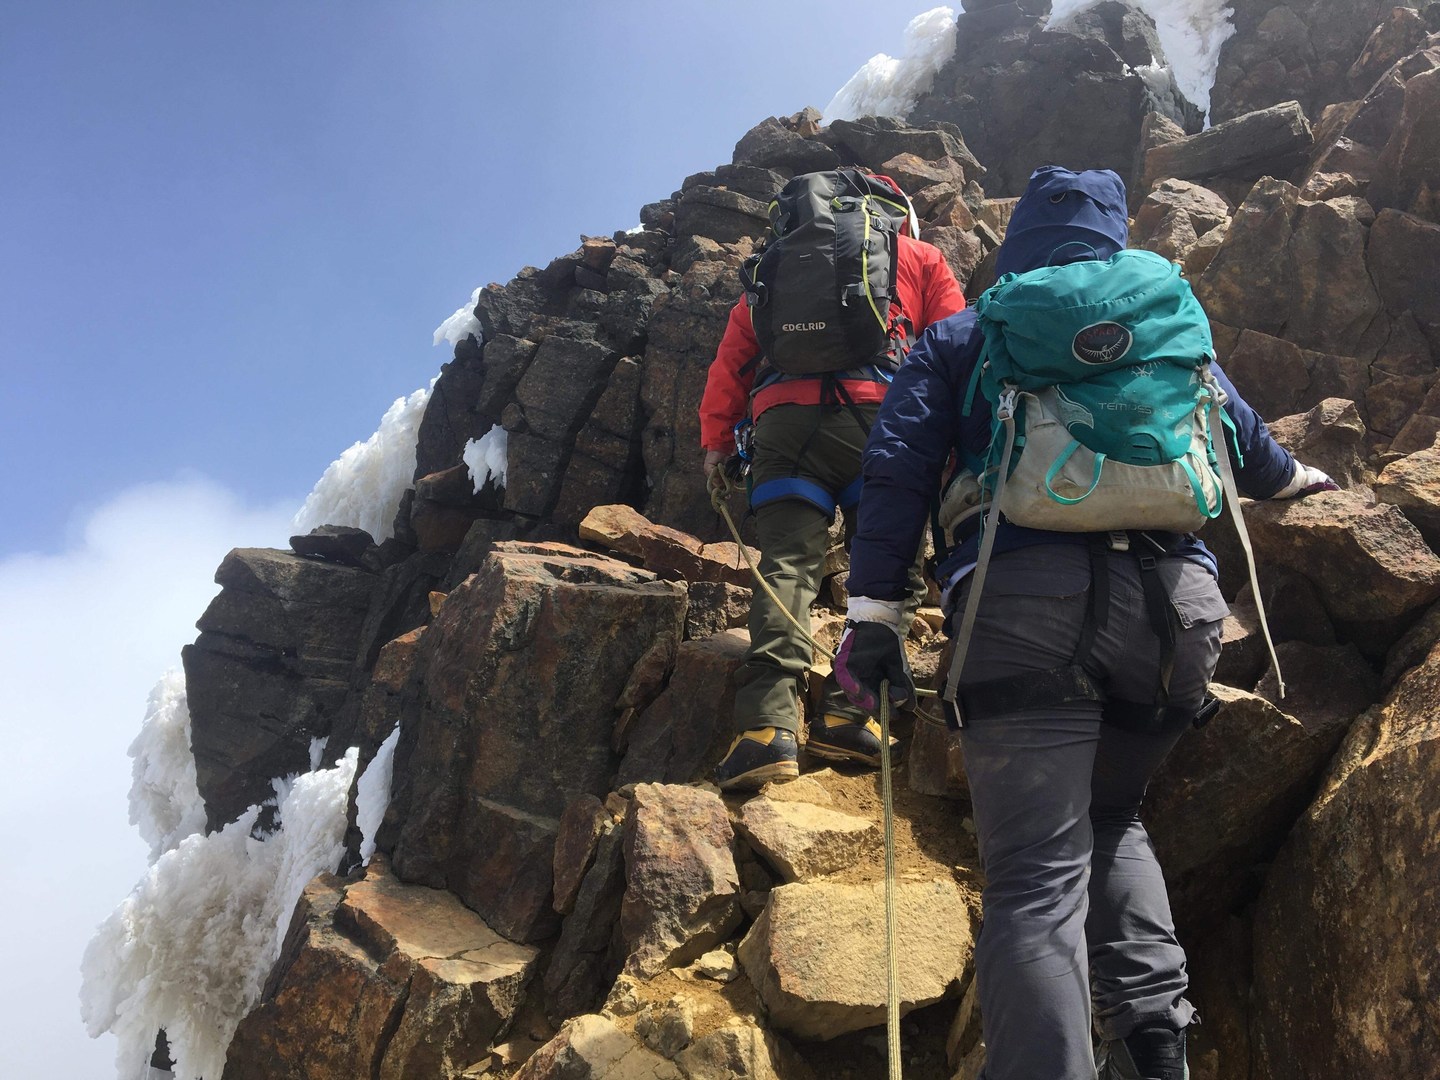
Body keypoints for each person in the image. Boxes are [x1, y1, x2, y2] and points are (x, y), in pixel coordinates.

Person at [834, 166, 1336, 1080]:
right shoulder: (1161, 320)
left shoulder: (968, 331)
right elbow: (1252, 452)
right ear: (1116, 233)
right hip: (1177, 615)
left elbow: (897, 467)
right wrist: (1308, 482)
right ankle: (1154, 1050)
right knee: (1113, 815)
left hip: (1024, 607)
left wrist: (874, 613)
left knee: (1035, 876)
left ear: (1019, 238)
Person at [700, 170, 966, 792]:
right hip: (881, 425)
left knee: (787, 563)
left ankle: (766, 731)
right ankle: (851, 712)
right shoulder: (918, 257)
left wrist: (716, 444)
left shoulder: (778, 265)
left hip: (785, 426)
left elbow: (732, 359)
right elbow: (955, 345)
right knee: (887, 567)